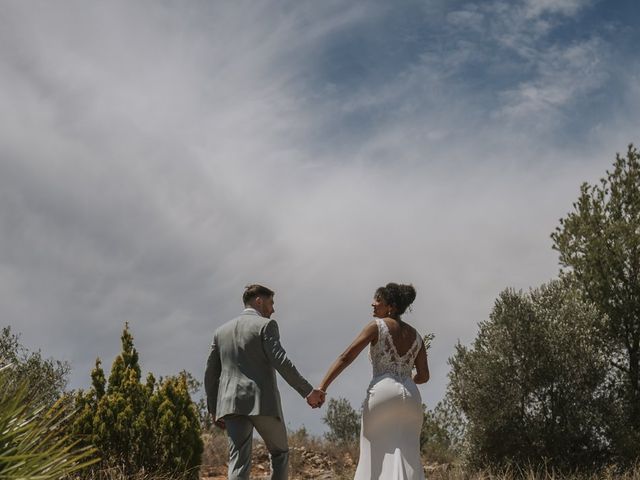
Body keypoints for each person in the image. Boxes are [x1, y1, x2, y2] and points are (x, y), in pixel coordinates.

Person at [204, 284, 325, 480]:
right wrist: (308, 392)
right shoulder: (266, 326)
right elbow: (281, 361)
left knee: (238, 462)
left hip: (231, 404)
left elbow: (210, 374)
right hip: (262, 403)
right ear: (259, 301)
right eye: (271, 303)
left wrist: (213, 408)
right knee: (280, 453)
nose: (273, 309)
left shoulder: (220, 332)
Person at [318, 283, 429, 480]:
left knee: (374, 454)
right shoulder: (416, 336)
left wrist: (322, 387)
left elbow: (346, 356)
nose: (373, 304)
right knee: (407, 454)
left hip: (383, 391)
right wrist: (405, 380)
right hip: (411, 396)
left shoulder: (377, 326)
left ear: (391, 307)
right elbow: (424, 376)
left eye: (378, 300)